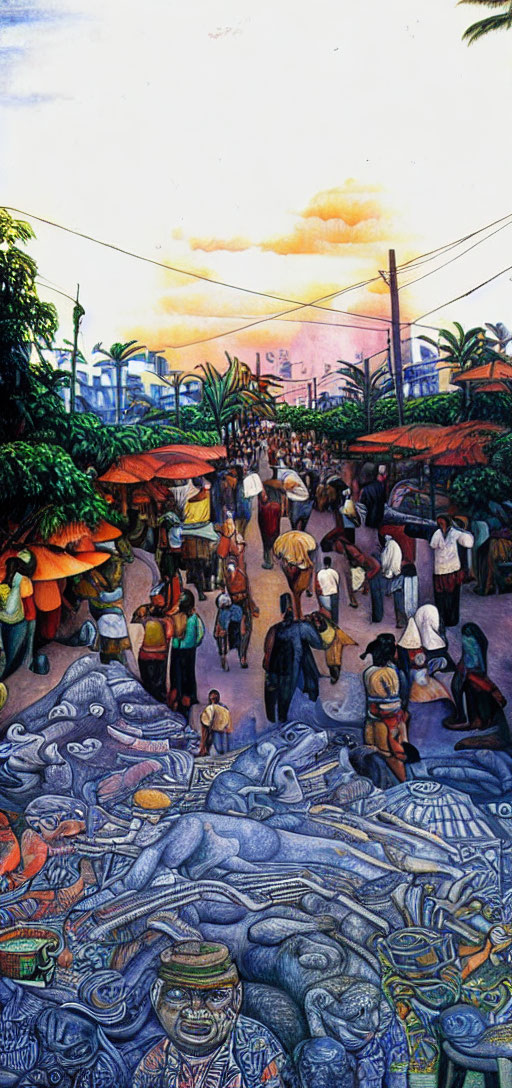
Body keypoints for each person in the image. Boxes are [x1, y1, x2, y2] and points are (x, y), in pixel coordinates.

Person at [133, 941, 285, 1088]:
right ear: (156, 995)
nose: (196, 1009)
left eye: (217, 995)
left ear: (237, 998)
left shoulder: (257, 1049)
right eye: (178, 994)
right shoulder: (153, 1064)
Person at [444, 622, 510, 750]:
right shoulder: (470, 665)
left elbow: (474, 672)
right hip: (475, 680)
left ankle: (477, 721)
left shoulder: (475, 675)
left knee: (473, 681)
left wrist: (493, 691)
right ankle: (475, 720)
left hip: (492, 723)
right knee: (470, 680)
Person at [263, 592, 323, 722]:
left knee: (278, 706)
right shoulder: (302, 627)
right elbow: (319, 643)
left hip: (276, 673)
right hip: (293, 673)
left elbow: (266, 654)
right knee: (290, 704)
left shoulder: (274, 629)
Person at [360, 635, 410, 783]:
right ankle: (400, 782)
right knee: (386, 754)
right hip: (384, 718)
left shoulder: (371, 672)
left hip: (380, 718)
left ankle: (401, 782)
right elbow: (398, 698)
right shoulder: (391, 672)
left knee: (384, 753)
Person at [429, 516, 474, 627]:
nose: (440, 525)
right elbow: (433, 545)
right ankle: (442, 620)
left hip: (452, 570)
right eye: (438, 523)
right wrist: (439, 534)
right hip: (439, 570)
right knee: (440, 597)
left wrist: (462, 532)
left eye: (442, 523)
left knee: (452, 596)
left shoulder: (455, 533)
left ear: (448, 523)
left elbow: (469, 543)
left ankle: (452, 620)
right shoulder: (437, 533)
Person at [168, 589, 205, 720]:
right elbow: (201, 632)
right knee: (188, 674)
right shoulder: (194, 618)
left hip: (177, 650)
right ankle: (188, 698)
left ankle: (176, 698)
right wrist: (195, 642)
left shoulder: (176, 617)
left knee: (176, 674)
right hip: (189, 650)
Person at [310, 610, 357, 684]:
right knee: (331, 660)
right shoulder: (318, 624)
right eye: (314, 619)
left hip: (333, 640)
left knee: (333, 660)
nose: (316, 621)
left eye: (317, 619)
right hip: (328, 640)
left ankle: (335, 676)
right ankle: (334, 675)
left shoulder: (332, 630)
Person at [380, 533, 406, 628]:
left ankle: (401, 621)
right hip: (396, 573)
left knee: (398, 598)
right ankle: (401, 620)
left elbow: (388, 561)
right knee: (398, 598)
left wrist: (387, 573)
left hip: (395, 574)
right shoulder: (391, 545)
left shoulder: (391, 546)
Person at [214, 591, 244, 671]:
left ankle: (224, 658)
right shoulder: (237, 609)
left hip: (227, 632)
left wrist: (218, 631)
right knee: (239, 644)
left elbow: (221, 623)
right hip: (235, 631)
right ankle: (241, 658)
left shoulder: (223, 613)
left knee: (223, 645)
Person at [199, 689, 233, 754]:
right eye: (211, 698)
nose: (213, 700)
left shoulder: (223, 707)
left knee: (224, 748)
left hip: (223, 730)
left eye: (214, 698)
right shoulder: (209, 708)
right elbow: (206, 718)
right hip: (214, 730)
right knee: (218, 747)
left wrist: (228, 727)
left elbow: (227, 717)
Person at [258, 487, 282, 569]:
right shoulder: (276, 483)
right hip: (275, 509)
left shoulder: (265, 507)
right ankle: (273, 557)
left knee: (267, 540)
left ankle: (269, 561)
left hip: (268, 514)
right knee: (273, 536)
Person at [315, 556, 340, 624]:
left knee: (327, 612)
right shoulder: (334, 572)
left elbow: (318, 585)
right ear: (330, 563)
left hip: (324, 595)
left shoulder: (320, 573)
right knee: (335, 612)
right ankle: (335, 626)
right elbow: (337, 582)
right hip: (334, 593)